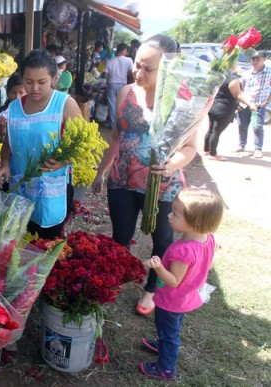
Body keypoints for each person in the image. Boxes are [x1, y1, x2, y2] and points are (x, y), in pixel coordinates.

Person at [91, 34, 197, 315]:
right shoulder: (125, 92)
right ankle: (113, 279)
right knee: (120, 237)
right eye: (136, 65)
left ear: (169, 69)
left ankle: (152, 287)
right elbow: (117, 136)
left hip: (162, 185)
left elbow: (190, 148)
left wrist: (171, 165)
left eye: (148, 68)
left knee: (162, 240)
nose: (139, 73)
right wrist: (102, 171)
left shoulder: (183, 100)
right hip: (122, 179)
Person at [139, 188, 224, 380]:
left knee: (169, 332)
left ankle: (166, 369)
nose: (169, 215)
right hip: (187, 296)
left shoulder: (183, 250)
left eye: (175, 214)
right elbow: (208, 266)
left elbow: (173, 281)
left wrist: (158, 267)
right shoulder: (208, 239)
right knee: (173, 327)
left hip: (172, 300)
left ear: (195, 223)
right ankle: (163, 345)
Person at [0, 49, 82, 239]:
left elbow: (83, 146)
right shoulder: (14, 107)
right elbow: (9, 143)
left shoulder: (65, 104)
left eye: (41, 82)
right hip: (20, 187)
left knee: (46, 243)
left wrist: (63, 161)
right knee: (17, 240)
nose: (34, 88)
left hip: (51, 191)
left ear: (53, 79)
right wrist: (4, 164)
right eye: (29, 81)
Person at [205, 65, 253, 161]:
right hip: (224, 109)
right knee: (216, 132)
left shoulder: (217, 77)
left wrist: (236, 106)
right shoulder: (233, 80)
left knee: (211, 130)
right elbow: (238, 95)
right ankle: (213, 154)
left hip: (213, 107)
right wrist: (250, 104)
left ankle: (206, 150)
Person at [236, 50, 271, 159]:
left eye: (258, 59)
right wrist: (238, 103)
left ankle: (258, 149)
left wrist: (267, 101)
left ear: (264, 59)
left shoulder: (269, 72)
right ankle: (242, 145)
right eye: (253, 59)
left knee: (257, 127)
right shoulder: (246, 73)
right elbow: (241, 89)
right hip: (246, 103)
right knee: (242, 125)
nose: (255, 61)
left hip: (259, 104)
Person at [102, 43, 133, 128]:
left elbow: (104, 75)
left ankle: (113, 125)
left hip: (111, 84)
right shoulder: (129, 60)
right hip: (123, 85)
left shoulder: (110, 61)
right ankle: (121, 125)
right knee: (122, 105)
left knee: (112, 105)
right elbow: (131, 73)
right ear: (124, 50)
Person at [0, 73, 26, 138]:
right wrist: (2, 130)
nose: (17, 97)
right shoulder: (2, 115)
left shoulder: (33, 113)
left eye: (21, 93)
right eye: (14, 93)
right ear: (8, 93)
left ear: (27, 93)